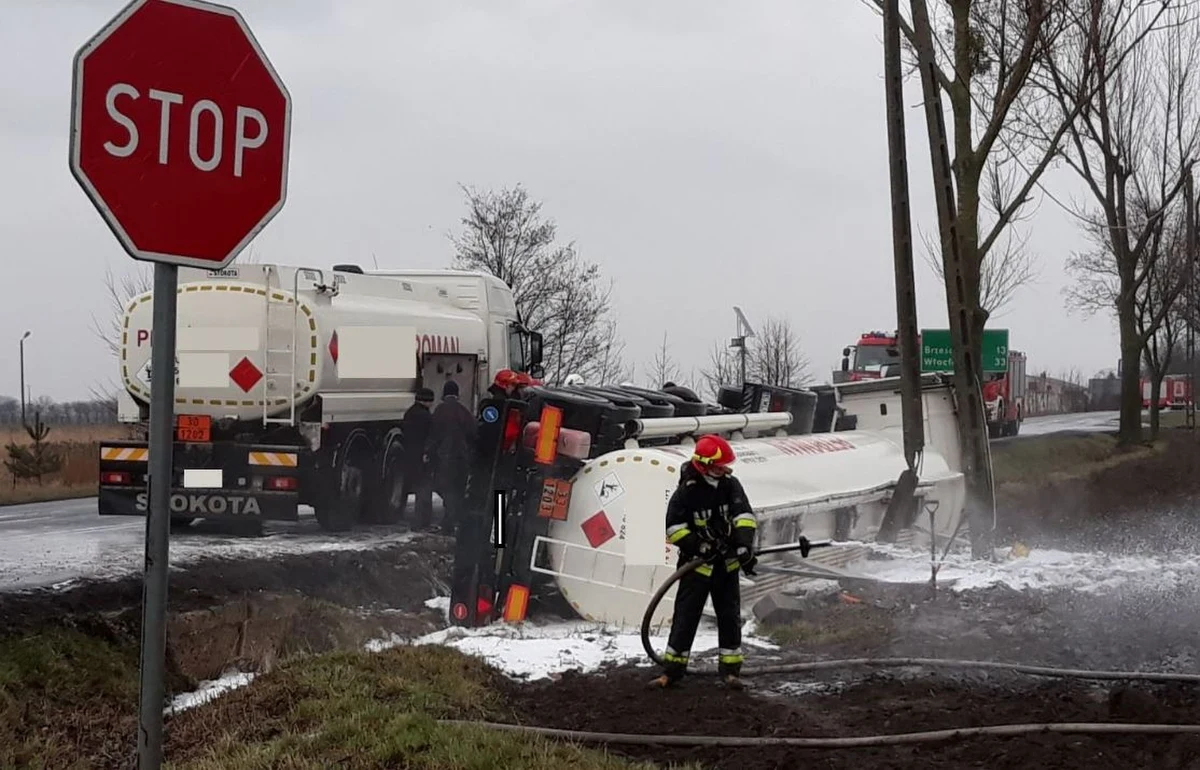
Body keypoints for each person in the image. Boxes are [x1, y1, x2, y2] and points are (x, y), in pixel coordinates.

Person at [649, 434, 758, 690]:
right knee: (686, 617)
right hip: (696, 565)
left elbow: (744, 516)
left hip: (726, 565)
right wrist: (701, 546)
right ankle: (672, 672)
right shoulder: (685, 493)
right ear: (704, 464)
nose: (725, 469)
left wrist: (743, 547)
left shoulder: (731, 485)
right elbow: (674, 529)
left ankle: (731, 672)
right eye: (720, 466)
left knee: (729, 616)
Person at [428, 379, 478, 534]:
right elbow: (473, 435)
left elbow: (433, 435)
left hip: (444, 459)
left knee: (447, 490)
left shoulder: (439, 411)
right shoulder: (465, 411)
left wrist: (429, 454)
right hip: (461, 459)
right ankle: (456, 520)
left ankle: (449, 523)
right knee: (458, 490)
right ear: (457, 394)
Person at [396, 387, 435, 529]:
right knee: (423, 488)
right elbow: (431, 436)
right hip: (422, 456)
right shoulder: (427, 416)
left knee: (406, 485)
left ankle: (399, 511)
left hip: (409, 454)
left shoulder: (409, 413)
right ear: (428, 401)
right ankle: (421, 521)